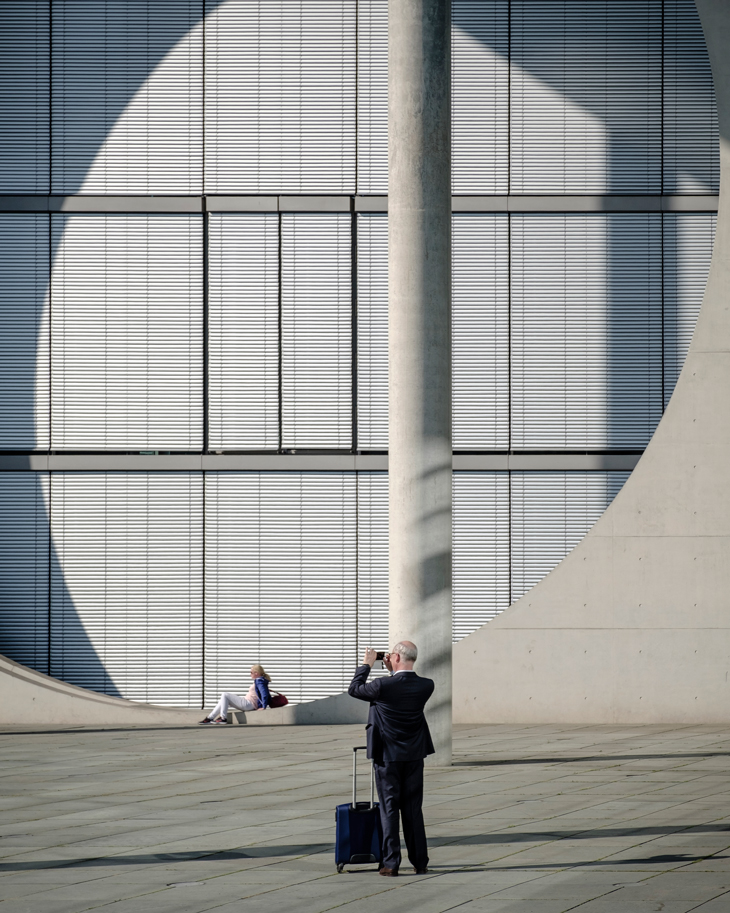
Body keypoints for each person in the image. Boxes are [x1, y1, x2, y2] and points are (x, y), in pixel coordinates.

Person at [348, 641, 434, 877]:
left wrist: (366, 665)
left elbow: (355, 689)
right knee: (413, 810)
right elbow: (400, 687)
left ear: (395, 656)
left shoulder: (381, 686)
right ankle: (420, 862)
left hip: (387, 756)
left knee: (389, 809)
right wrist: (392, 671)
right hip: (414, 755)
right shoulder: (426, 685)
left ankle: (391, 863)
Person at [199, 664, 272, 724]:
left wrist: (264, 706)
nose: (250, 674)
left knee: (225, 694)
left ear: (256, 673)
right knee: (224, 699)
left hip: (249, 704)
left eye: (251, 672)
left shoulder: (259, 681)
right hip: (247, 702)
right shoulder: (260, 680)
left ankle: (223, 718)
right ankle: (210, 718)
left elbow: (264, 694)